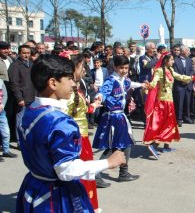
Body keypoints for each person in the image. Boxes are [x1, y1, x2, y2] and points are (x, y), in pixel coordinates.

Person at [16, 54, 125, 213]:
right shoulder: (60, 122)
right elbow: (66, 169)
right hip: (55, 197)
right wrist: (108, 162)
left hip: (33, 186)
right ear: (53, 83)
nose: (74, 83)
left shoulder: (28, 112)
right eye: (69, 79)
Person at [93, 56, 147, 185]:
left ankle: (123, 172)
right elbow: (102, 92)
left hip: (121, 116)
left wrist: (142, 85)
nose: (124, 70)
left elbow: (131, 84)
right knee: (113, 146)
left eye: (126, 68)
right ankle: (96, 174)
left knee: (126, 143)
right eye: (121, 68)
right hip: (113, 117)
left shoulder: (124, 80)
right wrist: (98, 99)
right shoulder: (110, 81)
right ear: (115, 67)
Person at [143, 52, 195, 156]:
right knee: (162, 125)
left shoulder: (171, 70)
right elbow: (153, 83)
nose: (173, 61)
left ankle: (166, 146)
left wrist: (194, 78)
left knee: (170, 124)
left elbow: (181, 77)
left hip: (169, 102)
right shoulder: (159, 71)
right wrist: (147, 85)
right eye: (172, 60)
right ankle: (153, 145)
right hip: (162, 103)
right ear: (166, 61)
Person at [66, 54, 102, 208]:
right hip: (77, 139)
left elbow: (81, 110)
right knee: (81, 173)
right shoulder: (68, 90)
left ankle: (85, 205)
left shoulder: (77, 85)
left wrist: (93, 105)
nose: (85, 71)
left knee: (87, 173)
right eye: (82, 67)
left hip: (83, 137)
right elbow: (68, 114)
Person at [8, 45, 35, 142]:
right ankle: (20, 141)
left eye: (28, 53)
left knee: (30, 120)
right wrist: (19, 98)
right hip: (22, 99)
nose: (26, 55)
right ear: (19, 53)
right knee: (20, 121)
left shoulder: (31, 64)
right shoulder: (15, 66)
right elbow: (14, 83)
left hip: (32, 97)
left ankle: (27, 139)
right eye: (24, 53)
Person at [172, 45, 195, 126]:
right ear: (182, 51)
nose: (189, 52)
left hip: (188, 84)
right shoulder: (175, 60)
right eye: (187, 50)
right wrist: (183, 80)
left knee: (187, 102)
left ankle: (187, 117)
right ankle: (179, 119)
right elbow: (175, 72)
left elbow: (192, 71)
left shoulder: (189, 60)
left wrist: (188, 79)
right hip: (179, 85)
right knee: (179, 102)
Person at [0, 78, 17, 159]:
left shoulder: (0, 81)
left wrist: (2, 105)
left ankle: (6, 151)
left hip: (1, 112)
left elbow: (5, 95)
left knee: (6, 132)